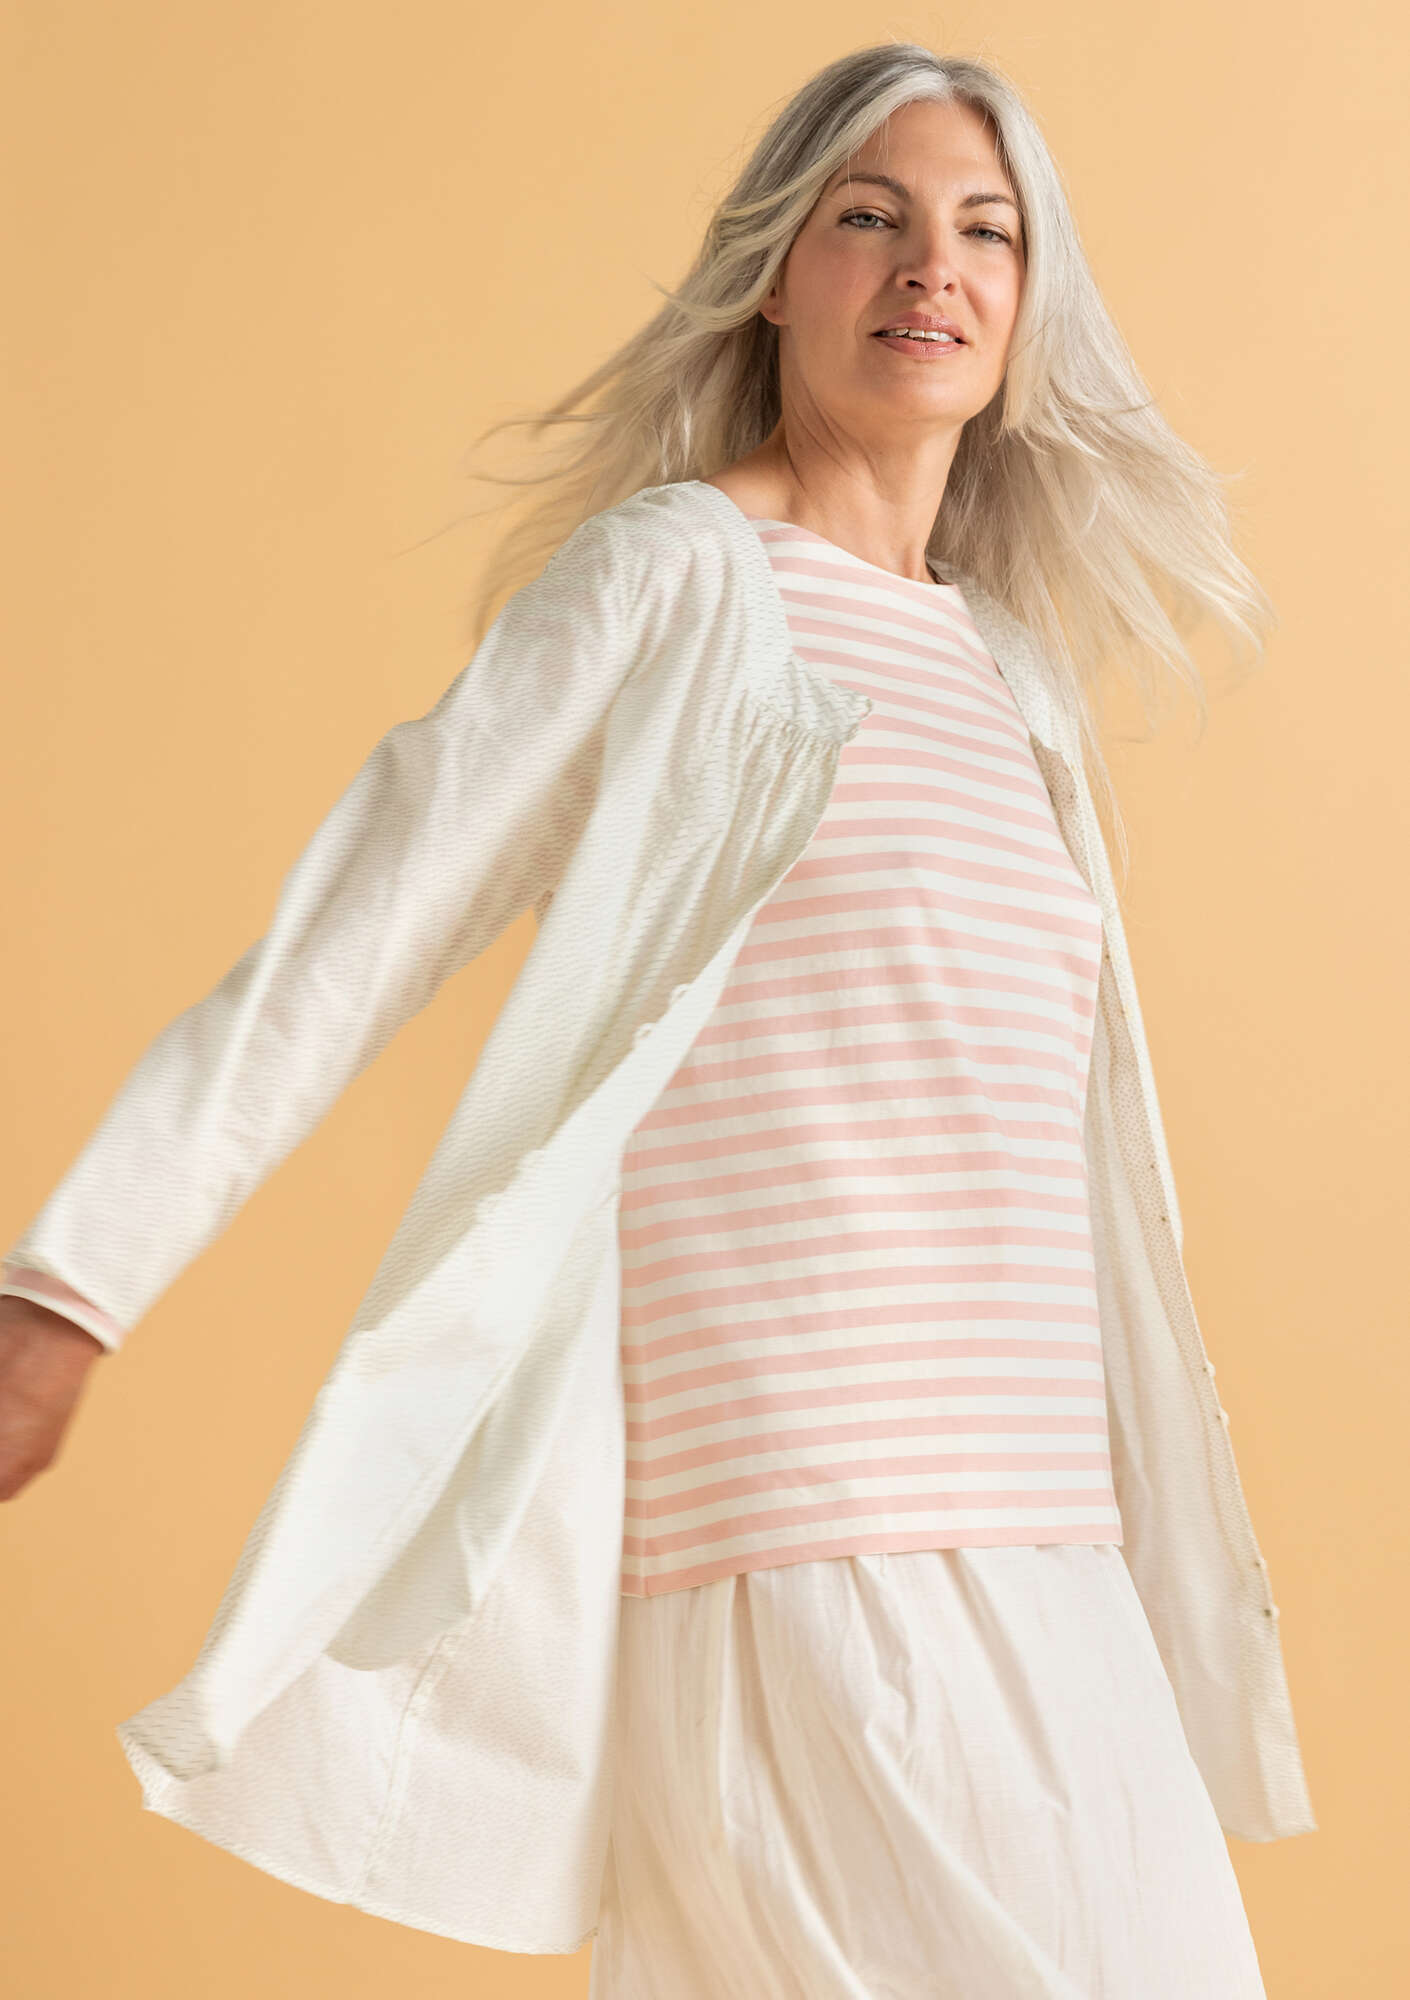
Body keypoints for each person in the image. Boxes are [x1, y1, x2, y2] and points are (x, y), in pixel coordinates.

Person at [1, 42, 1312, 1997]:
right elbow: (357, 928)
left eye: (986, 230)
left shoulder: (1007, 674)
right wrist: (68, 1289)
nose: (929, 267)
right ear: (775, 270)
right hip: (809, 1531)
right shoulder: (676, 583)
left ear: (1029, 300)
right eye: (868, 216)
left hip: (1050, 1535)